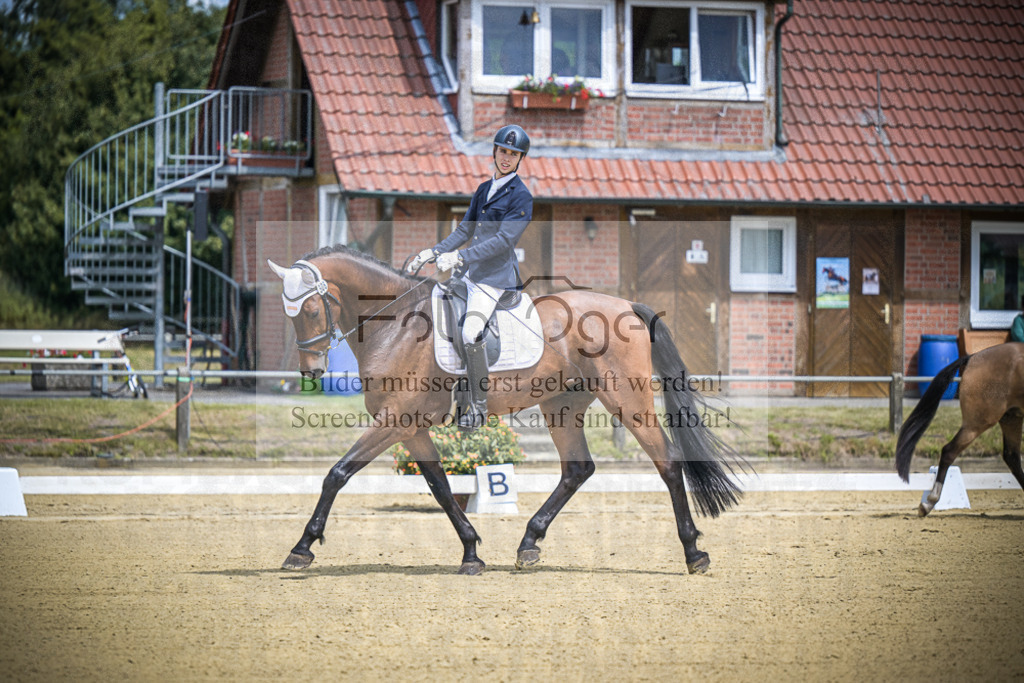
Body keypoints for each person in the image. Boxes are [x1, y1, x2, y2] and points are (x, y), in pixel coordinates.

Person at [407, 124, 533, 430]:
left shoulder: (521, 197)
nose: (506, 158)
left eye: (513, 154)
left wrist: (460, 256)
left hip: (494, 279)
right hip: (470, 275)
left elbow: (504, 240)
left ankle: (477, 407)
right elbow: (465, 229)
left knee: (470, 331)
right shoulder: (482, 190)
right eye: (503, 151)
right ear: (495, 151)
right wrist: (432, 252)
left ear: (520, 159)